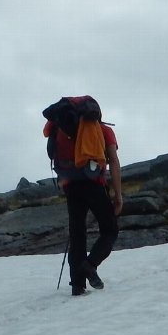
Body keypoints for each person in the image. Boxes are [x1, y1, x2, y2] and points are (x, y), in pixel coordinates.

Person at [43, 109, 123, 295]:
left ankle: (77, 286)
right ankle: (90, 265)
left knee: (77, 234)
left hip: (71, 184)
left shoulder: (63, 129)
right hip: (94, 183)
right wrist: (118, 194)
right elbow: (114, 161)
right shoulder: (104, 130)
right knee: (110, 229)